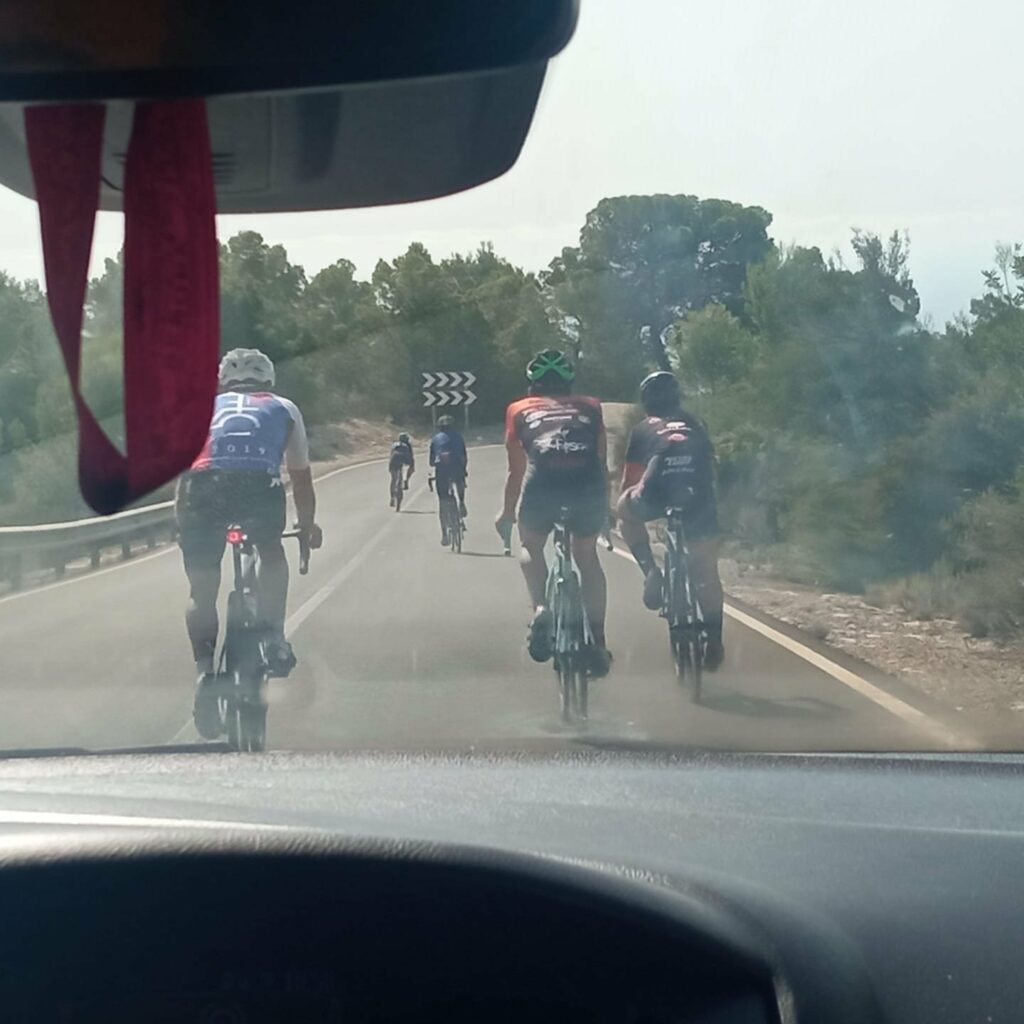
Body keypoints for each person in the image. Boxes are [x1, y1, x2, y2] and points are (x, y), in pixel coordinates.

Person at [176, 348, 323, 733]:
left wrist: (183, 524)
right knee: (271, 551)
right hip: (257, 486)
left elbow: (184, 474)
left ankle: (205, 672)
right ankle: (274, 636)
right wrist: (307, 527)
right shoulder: (284, 407)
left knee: (201, 589)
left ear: (223, 383)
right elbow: (302, 479)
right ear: (269, 380)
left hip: (203, 489)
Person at [496, 349, 612, 678]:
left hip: (542, 484)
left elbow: (515, 472)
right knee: (586, 556)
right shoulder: (591, 406)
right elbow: (601, 463)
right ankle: (599, 642)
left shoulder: (517, 409)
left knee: (531, 545)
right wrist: (605, 508)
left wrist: (506, 514)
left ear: (531, 385)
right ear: (569, 384)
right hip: (585, 485)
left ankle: (542, 608)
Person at [616, 370, 725, 670]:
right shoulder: (697, 425)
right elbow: (710, 468)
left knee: (624, 513)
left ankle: (650, 570)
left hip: (656, 490)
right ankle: (714, 637)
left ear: (646, 402)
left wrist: (624, 501)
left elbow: (630, 480)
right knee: (707, 569)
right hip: (696, 495)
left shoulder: (642, 429)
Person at [430, 414, 468, 543]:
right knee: (460, 481)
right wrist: (464, 470)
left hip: (442, 469)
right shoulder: (458, 436)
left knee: (442, 501)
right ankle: (462, 502)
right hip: (457, 466)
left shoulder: (435, 439)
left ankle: (444, 535)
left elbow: (431, 461)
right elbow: (464, 455)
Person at [388, 432, 415, 506]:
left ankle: (392, 497)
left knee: (393, 479)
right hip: (402, 461)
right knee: (403, 474)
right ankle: (405, 480)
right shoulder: (407, 445)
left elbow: (391, 455)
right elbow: (410, 457)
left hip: (393, 462)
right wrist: (411, 466)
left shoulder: (394, 445)